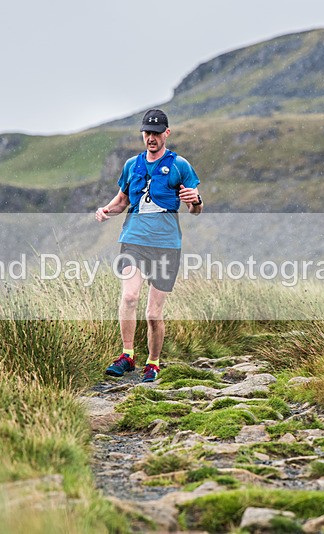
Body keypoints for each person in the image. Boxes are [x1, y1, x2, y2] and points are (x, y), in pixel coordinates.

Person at [95, 109, 203, 382]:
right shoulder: (132, 164)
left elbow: (195, 209)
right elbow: (121, 200)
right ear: (142, 134)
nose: (151, 138)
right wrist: (106, 210)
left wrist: (196, 200)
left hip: (167, 245)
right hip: (133, 241)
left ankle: (153, 363)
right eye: (147, 133)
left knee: (154, 314)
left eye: (156, 133)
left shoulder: (180, 165)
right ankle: (127, 356)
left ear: (167, 133)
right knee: (129, 297)